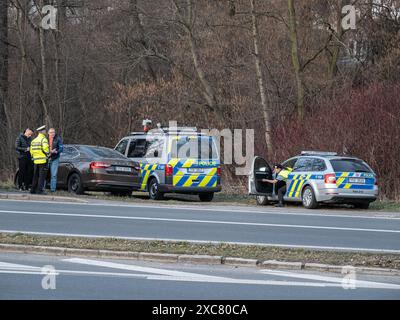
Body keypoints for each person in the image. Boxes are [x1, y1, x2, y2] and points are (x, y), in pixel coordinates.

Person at [30, 125, 50, 195]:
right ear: (41, 131)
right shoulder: (43, 139)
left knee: (35, 176)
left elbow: (31, 151)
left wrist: (34, 157)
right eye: (44, 130)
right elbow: (46, 149)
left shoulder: (34, 140)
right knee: (42, 176)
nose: (45, 131)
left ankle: (33, 190)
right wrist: (48, 154)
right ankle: (40, 190)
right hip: (43, 160)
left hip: (35, 161)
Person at [48, 128, 63, 192]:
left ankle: (53, 189)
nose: (52, 134)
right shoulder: (45, 139)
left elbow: (61, 148)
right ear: (48, 133)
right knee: (44, 174)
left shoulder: (58, 139)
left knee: (53, 175)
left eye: (53, 132)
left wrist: (56, 151)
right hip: (47, 158)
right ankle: (41, 188)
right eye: (51, 132)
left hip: (55, 158)